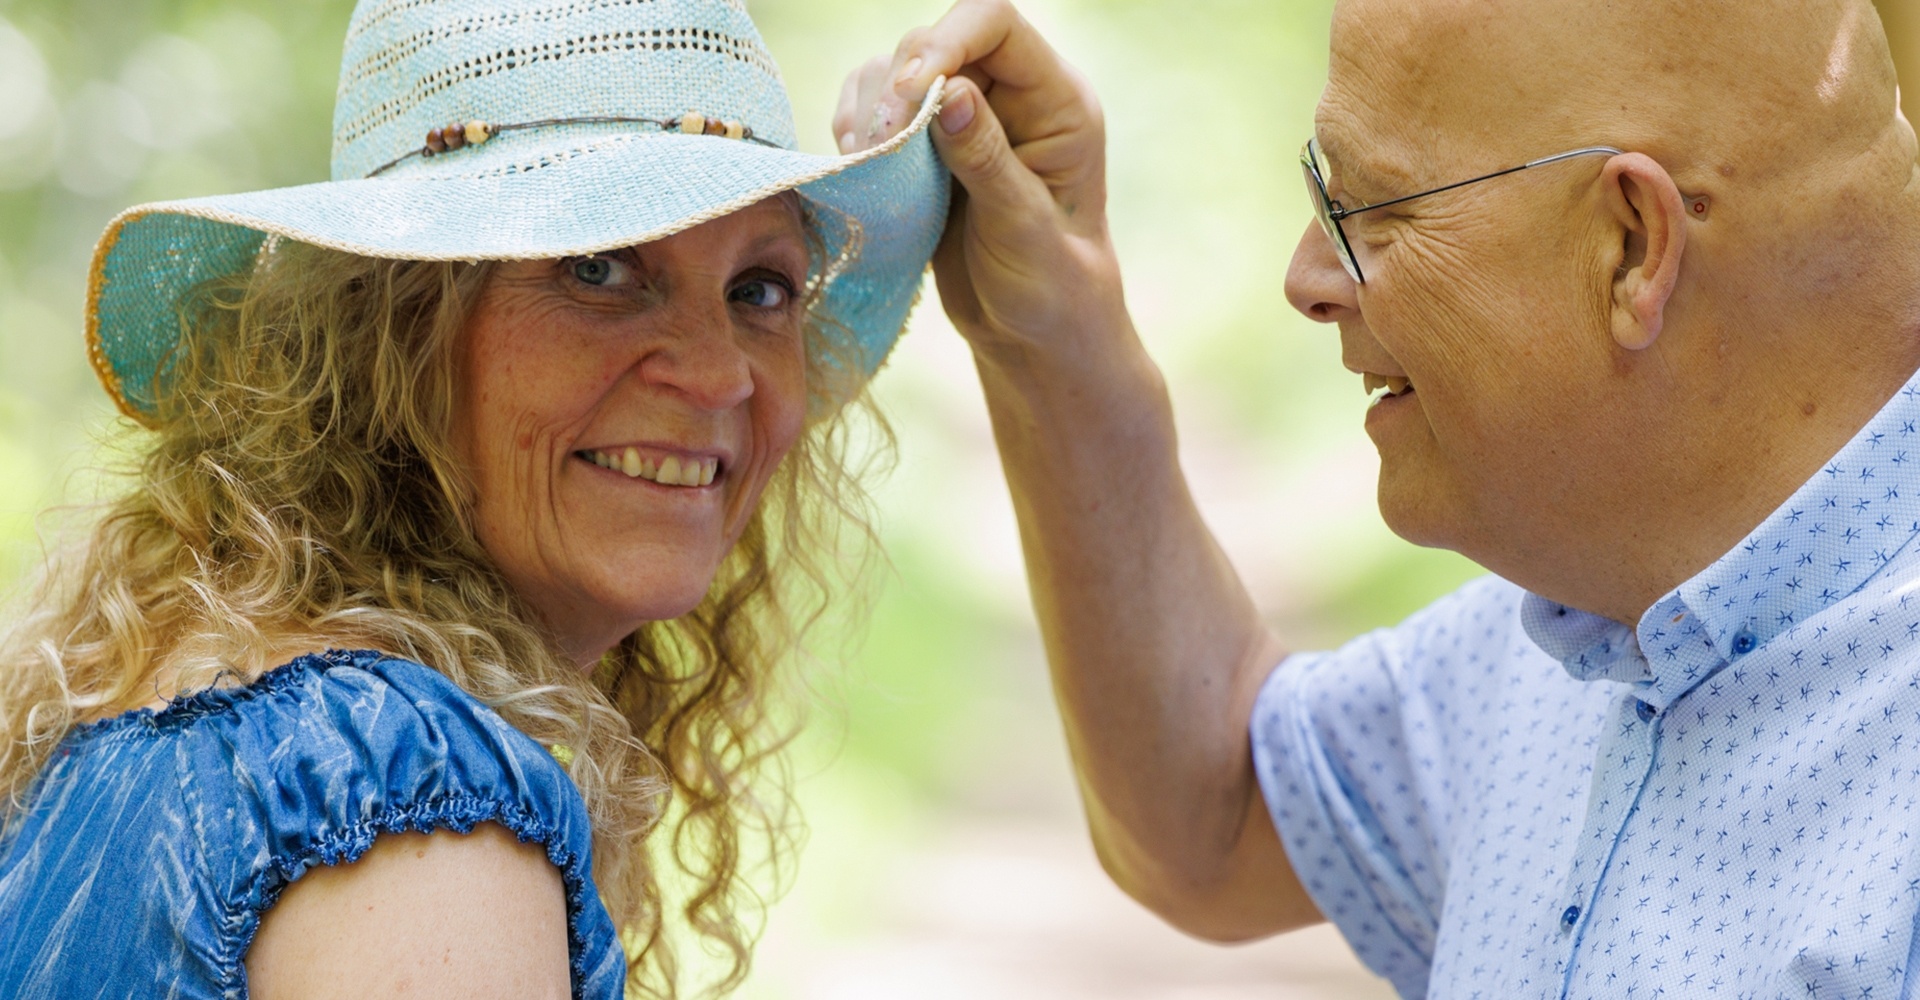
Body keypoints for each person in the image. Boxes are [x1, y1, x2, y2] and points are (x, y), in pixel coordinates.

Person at [844, 0, 1920, 995]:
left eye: (1365, 208)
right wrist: (1051, 329)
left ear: (1632, 245)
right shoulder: (1600, 620)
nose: (1308, 278)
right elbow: (1215, 816)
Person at [0, 0, 948, 996]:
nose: (719, 376)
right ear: (391, 334)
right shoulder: (411, 811)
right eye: (600, 266)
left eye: (760, 289)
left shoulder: (165, 701)